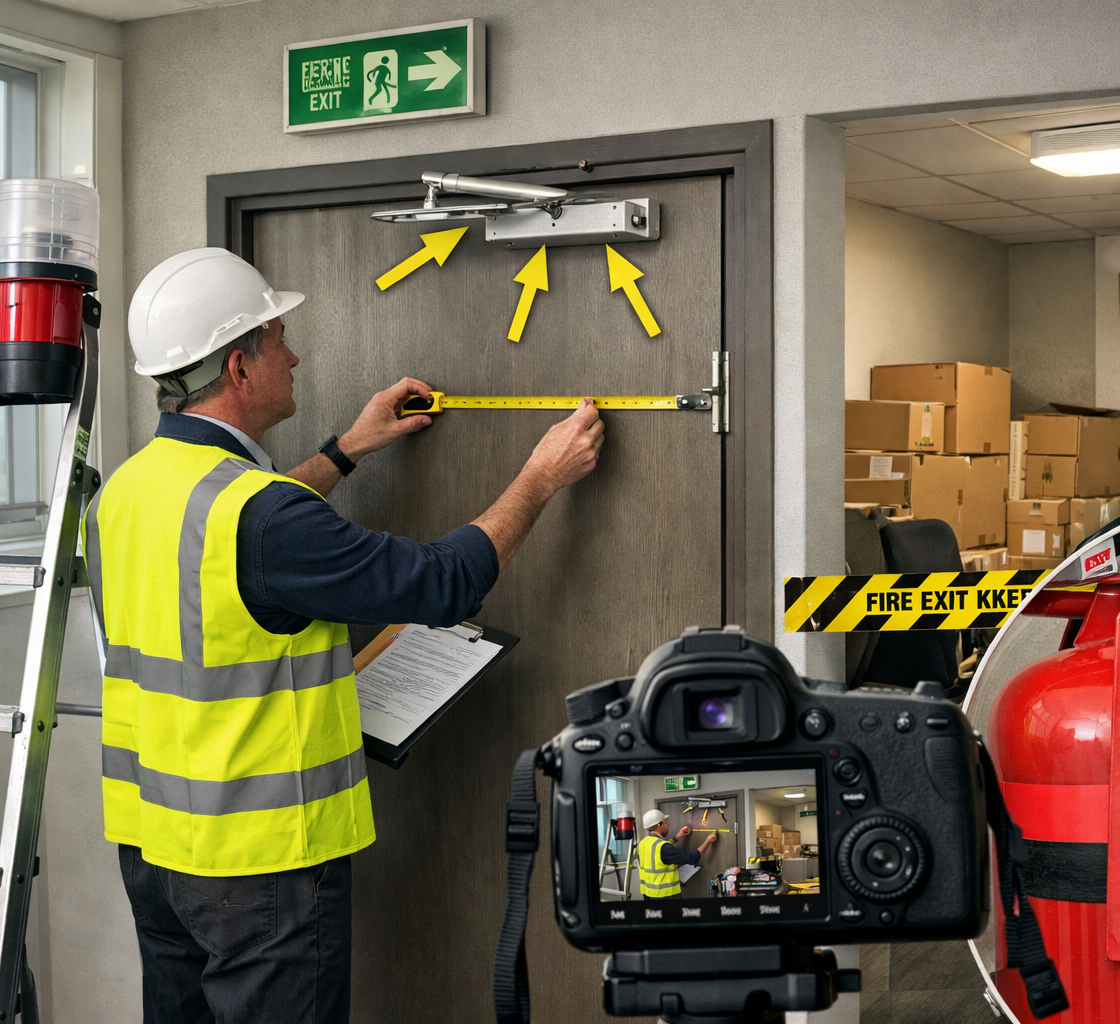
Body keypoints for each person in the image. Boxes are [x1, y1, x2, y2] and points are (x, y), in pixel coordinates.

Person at [84, 247, 604, 1024]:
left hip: (160, 852)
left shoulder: (128, 490)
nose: (294, 354)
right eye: (278, 338)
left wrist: (344, 451)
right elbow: (441, 582)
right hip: (264, 868)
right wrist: (540, 477)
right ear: (239, 368)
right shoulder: (261, 518)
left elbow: (242, 550)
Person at [637, 808, 716, 899]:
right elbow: (692, 857)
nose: (667, 825)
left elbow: (661, 851)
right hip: (665, 896)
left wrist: (677, 837)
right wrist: (708, 841)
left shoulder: (642, 844)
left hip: (648, 894)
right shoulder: (664, 848)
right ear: (660, 824)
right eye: (665, 822)